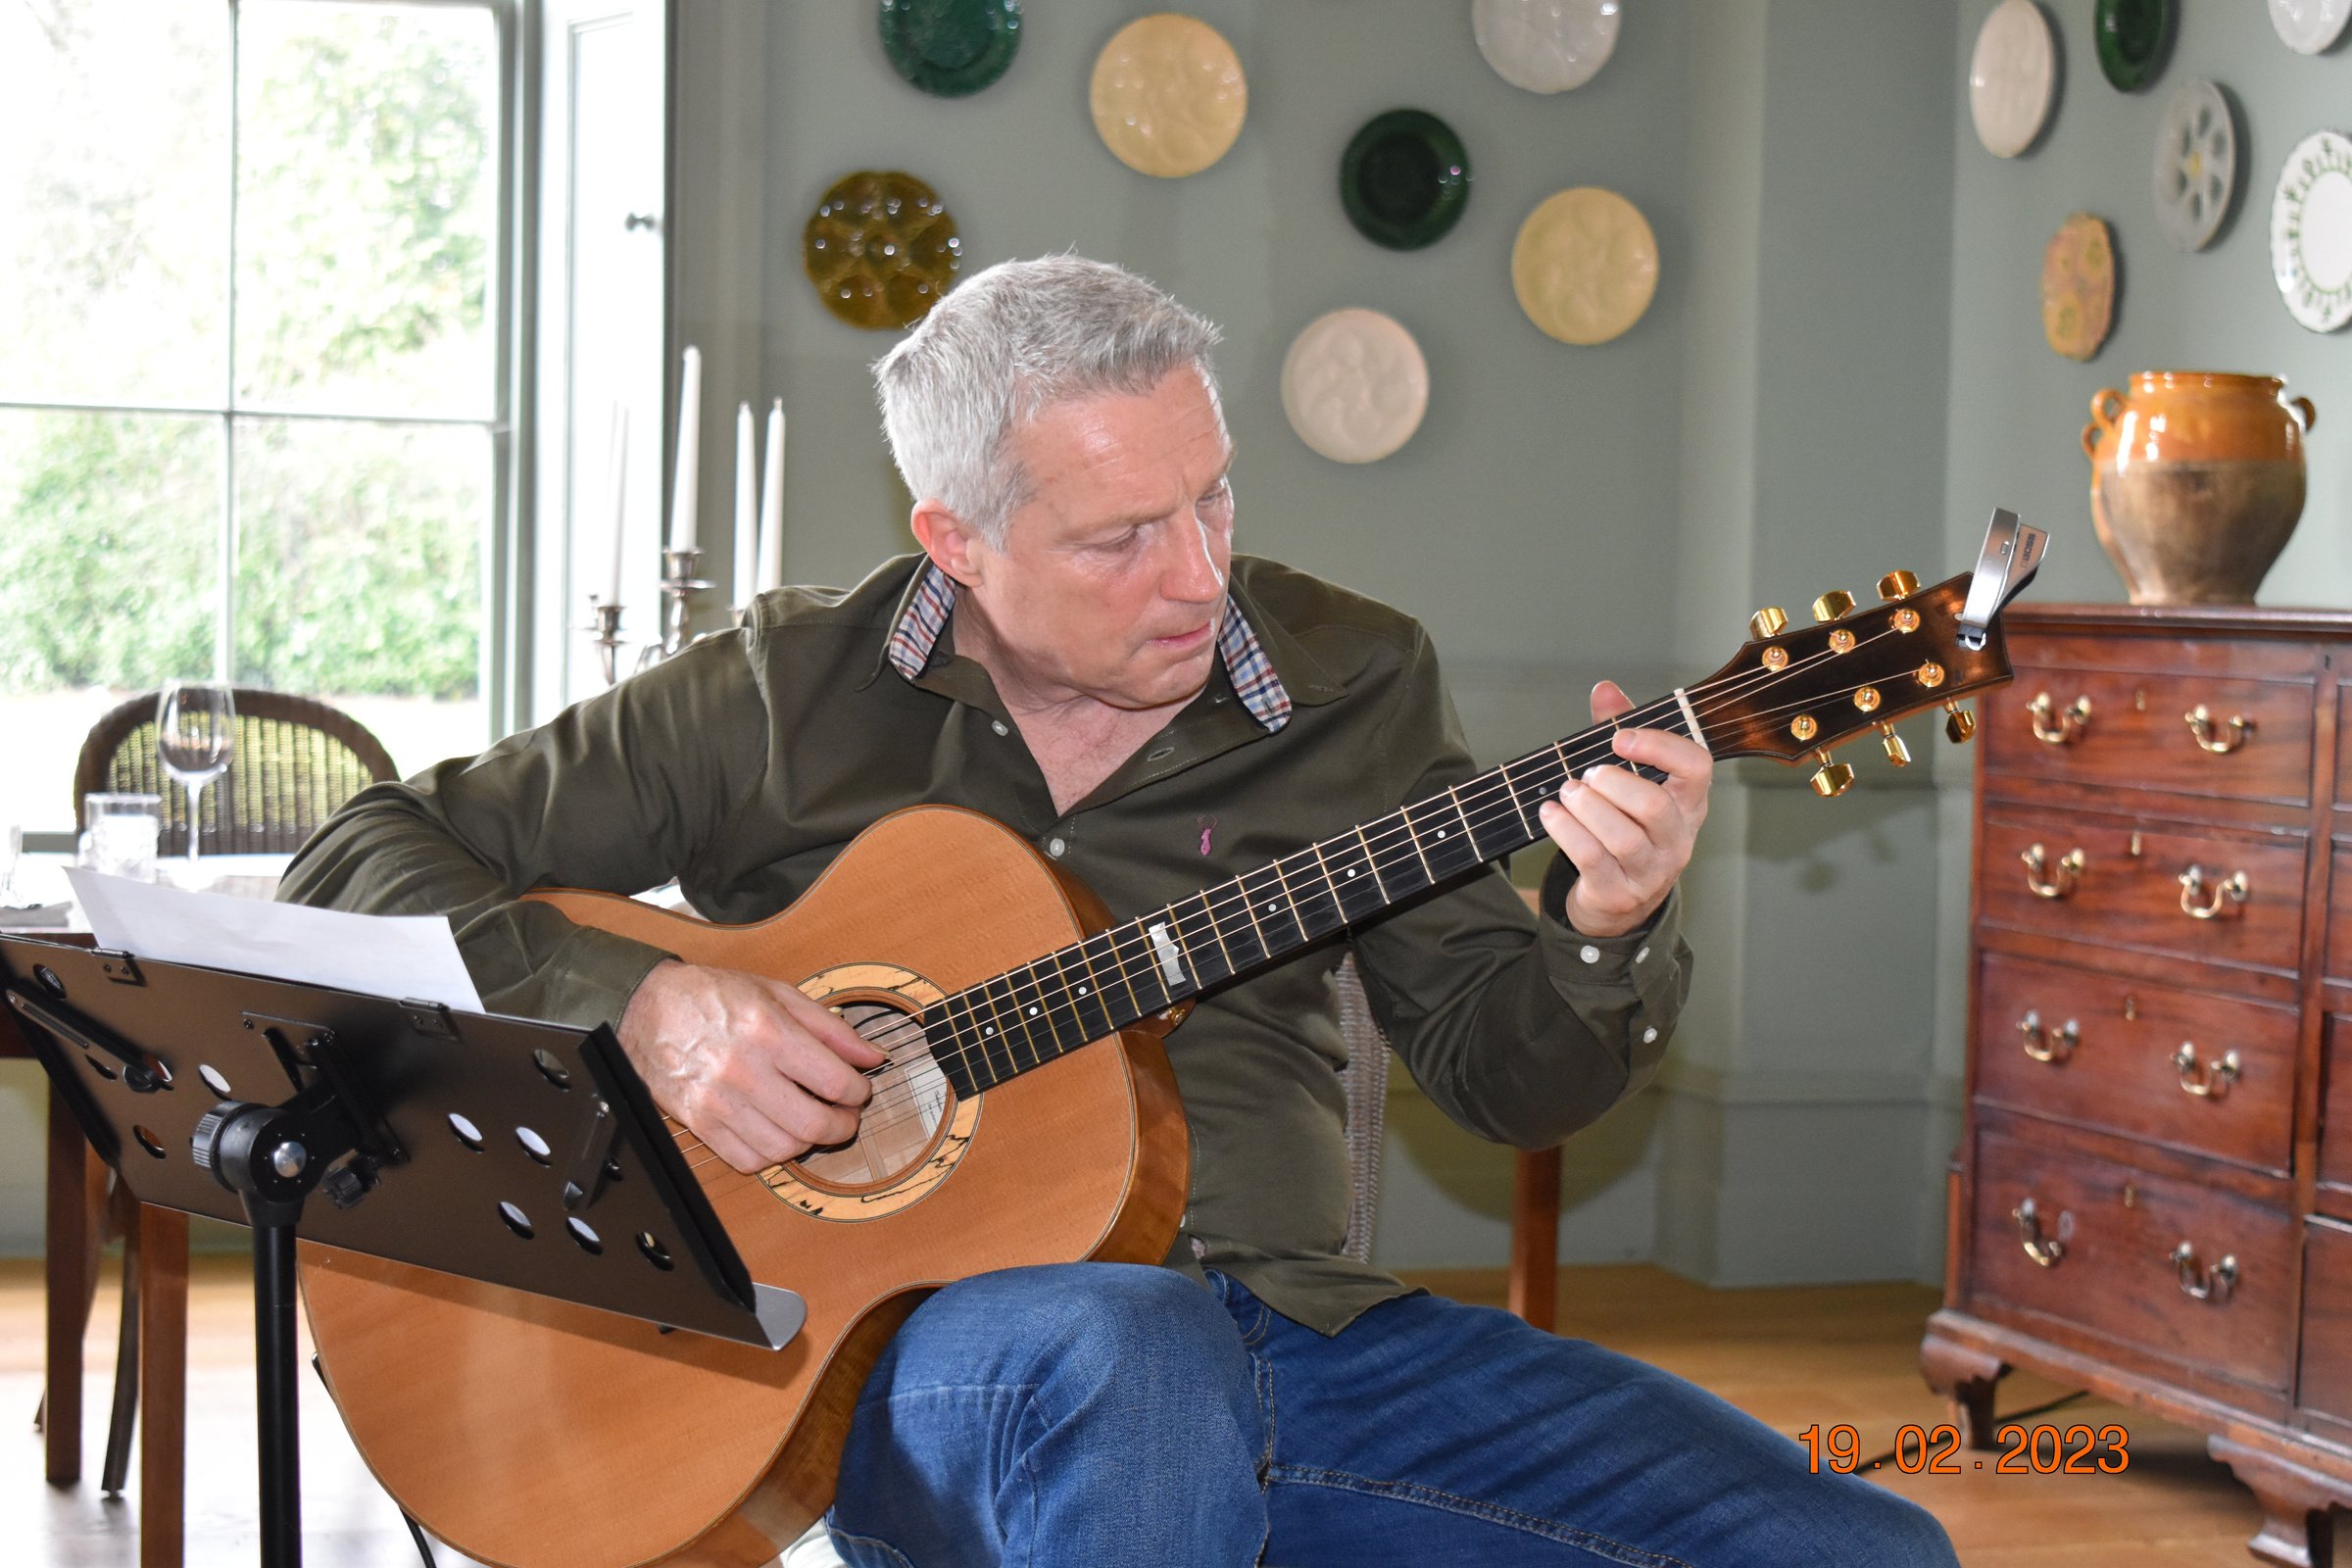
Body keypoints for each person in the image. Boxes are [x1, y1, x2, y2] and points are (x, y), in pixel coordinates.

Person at [280, 255, 1958, 1567]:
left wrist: (1608, 917)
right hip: (899, 1366)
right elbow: (360, 851)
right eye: (1120, 537)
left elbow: (1504, 1078)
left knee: (1863, 1541)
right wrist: (650, 1002)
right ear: (956, 541)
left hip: (1299, 1336)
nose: (1200, 573)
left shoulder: (1355, 683)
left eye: (1214, 497)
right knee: (1129, 1352)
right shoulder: (781, 693)